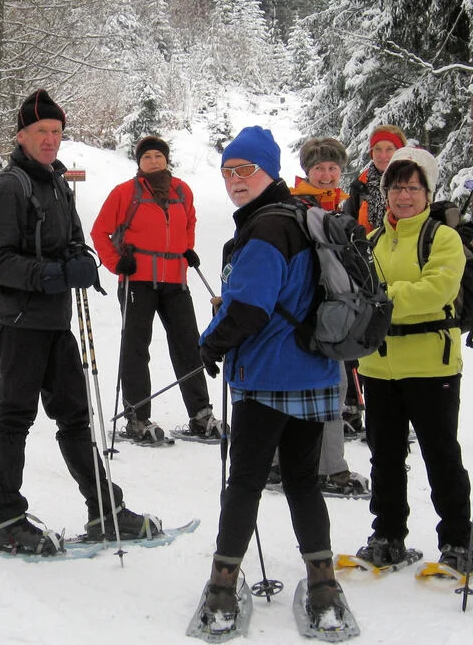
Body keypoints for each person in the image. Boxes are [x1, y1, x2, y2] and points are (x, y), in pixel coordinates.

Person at [0, 90, 160, 554]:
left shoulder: (58, 183)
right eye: (41, 132)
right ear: (21, 135)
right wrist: (54, 274)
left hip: (56, 322)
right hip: (20, 323)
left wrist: (81, 260)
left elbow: (75, 240)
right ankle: (6, 519)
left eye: (56, 132)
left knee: (76, 417)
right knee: (14, 418)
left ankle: (104, 509)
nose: (50, 140)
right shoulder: (7, 187)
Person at [195, 126, 350, 632]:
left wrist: (210, 344)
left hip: (267, 376)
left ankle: (222, 584)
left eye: (247, 170)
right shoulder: (304, 217)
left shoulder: (264, 230)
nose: (236, 180)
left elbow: (250, 309)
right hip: (316, 372)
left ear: (271, 172)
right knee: (304, 481)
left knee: (244, 482)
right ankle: (322, 580)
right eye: (228, 172)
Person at [354, 146, 473, 575]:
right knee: (385, 457)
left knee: (441, 455)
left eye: (412, 187)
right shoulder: (372, 240)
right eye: (396, 187)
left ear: (427, 192)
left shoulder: (442, 238)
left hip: (432, 366)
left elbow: (438, 291)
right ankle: (388, 535)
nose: (403, 196)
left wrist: (380, 302)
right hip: (378, 366)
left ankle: (457, 543)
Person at [90, 136, 218, 444]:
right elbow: (99, 232)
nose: (153, 161)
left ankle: (201, 414)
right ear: (139, 163)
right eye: (146, 157)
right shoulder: (125, 193)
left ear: (166, 159)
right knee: (136, 347)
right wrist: (116, 263)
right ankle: (137, 417)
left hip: (175, 280)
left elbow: (189, 222)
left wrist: (188, 249)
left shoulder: (182, 191)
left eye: (158, 156)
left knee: (188, 344)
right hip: (138, 281)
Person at [266, 136, 367, 498]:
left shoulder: (339, 207)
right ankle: (328, 469)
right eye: (319, 168)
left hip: (328, 311)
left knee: (320, 386)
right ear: (307, 170)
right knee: (328, 387)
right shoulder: (297, 205)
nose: (326, 174)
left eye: (332, 167)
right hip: (307, 311)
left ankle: (283, 464)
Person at [343, 125, 406, 439]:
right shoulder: (360, 185)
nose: (383, 155)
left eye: (389, 149)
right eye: (378, 150)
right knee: (362, 334)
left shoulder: (408, 183)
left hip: (399, 266)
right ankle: (354, 407)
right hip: (366, 266)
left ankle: (397, 409)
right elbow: (350, 221)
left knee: (393, 337)